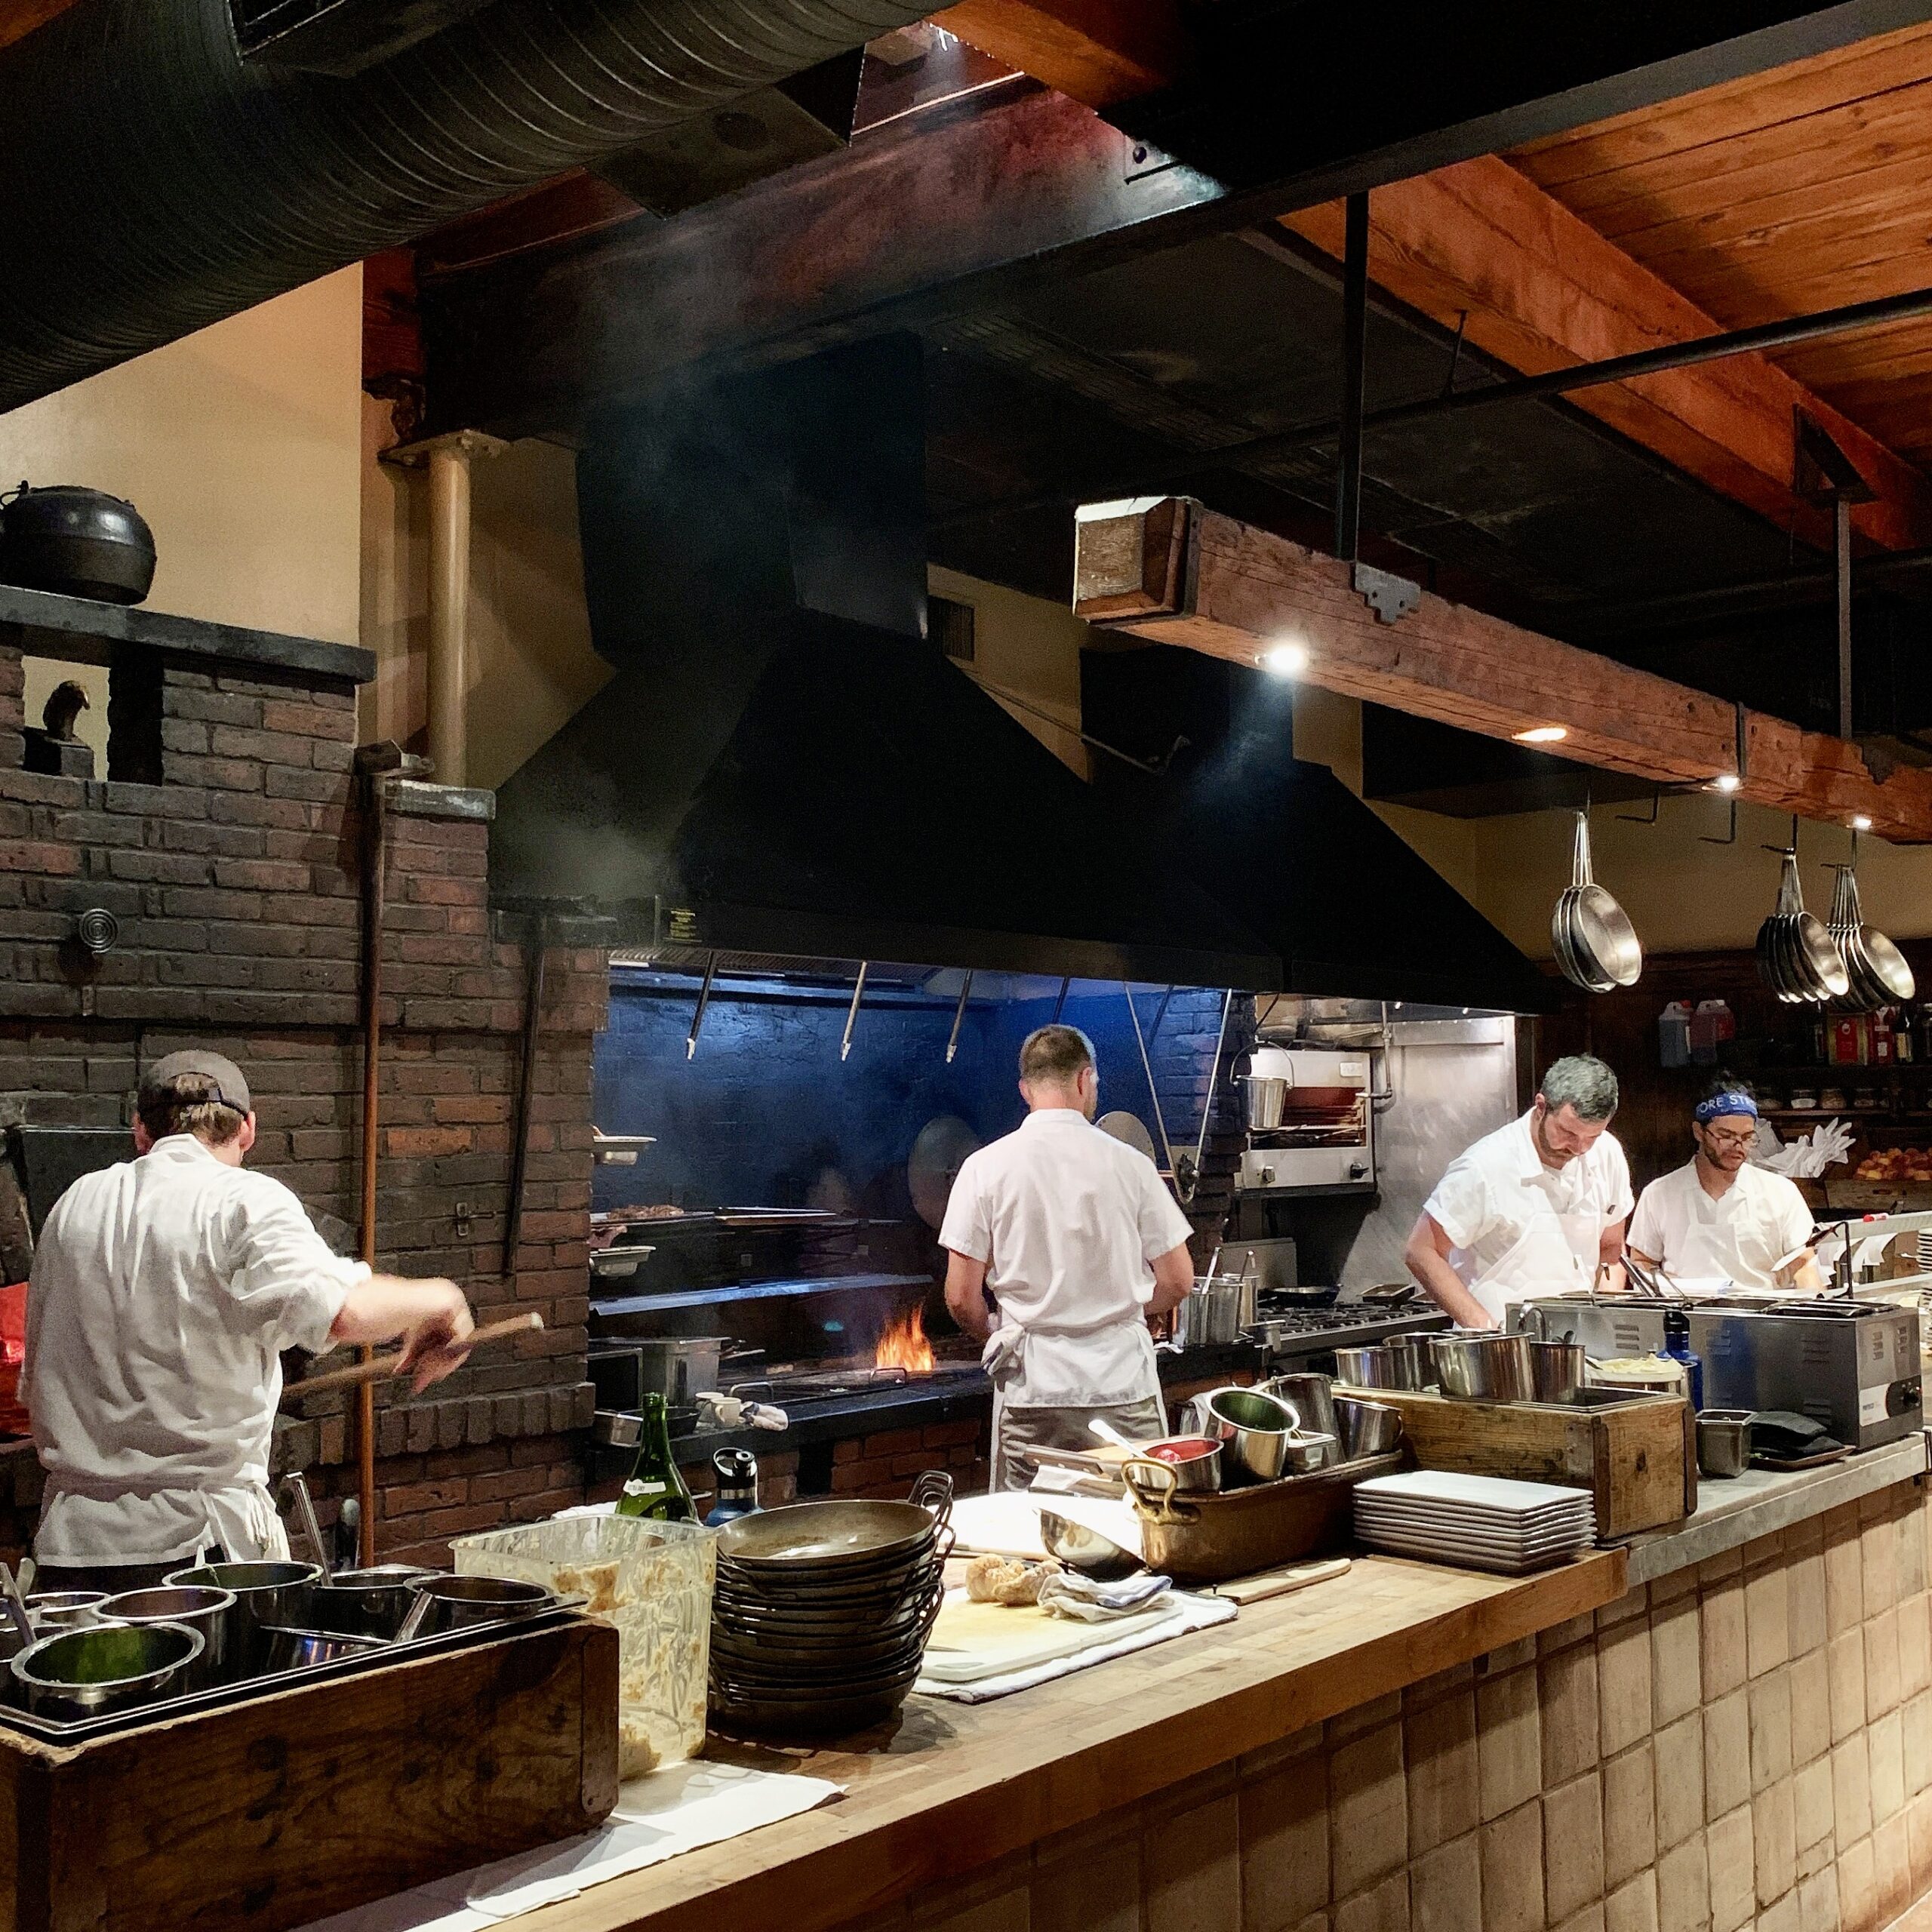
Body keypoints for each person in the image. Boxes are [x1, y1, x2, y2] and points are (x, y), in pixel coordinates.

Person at [23, 1050, 478, 1592]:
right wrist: (443, 1299)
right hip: (190, 1559)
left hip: (70, 1555)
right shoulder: (241, 1200)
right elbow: (340, 1310)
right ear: (248, 1130)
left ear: (141, 1131)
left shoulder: (74, 1205)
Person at [940, 1024, 1195, 1491]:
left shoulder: (983, 1168)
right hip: (1122, 1386)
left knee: (1028, 1526)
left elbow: (960, 1297)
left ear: (1025, 1090)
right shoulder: (1132, 1165)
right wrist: (1127, 1307)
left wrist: (995, 1333)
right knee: (1136, 1516)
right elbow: (1179, 1280)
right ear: (1085, 1079)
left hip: (1033, 1388)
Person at [1404, 1054, 1634, 1329]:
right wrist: (1485, 1329)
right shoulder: (1485, 1166)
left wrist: (1607, 1322)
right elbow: (1421, 1250)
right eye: (1568, 1133)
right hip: (1500, 1340)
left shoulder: (1607, 1152)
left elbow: (1610, 1250)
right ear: (1541, 1107)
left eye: (1592, 1137)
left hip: (1581, 1338)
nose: (1579, 1148)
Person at [1628, 1090, 1821, 1291]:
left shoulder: (1781, 1192)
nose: (1738, 1146)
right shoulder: (1659, 1193)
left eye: (1747, 1138)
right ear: (1699, 1132)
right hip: (1685, 1307)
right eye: (1726, 1136)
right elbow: (1642, 1261)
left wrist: (1817, 1304)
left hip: (1763, 1306)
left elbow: (1804, 1263)